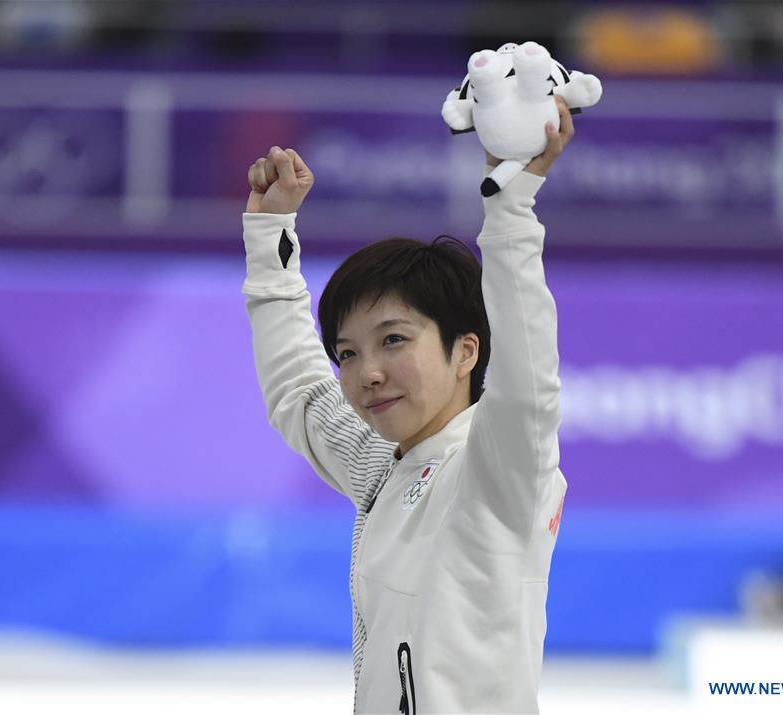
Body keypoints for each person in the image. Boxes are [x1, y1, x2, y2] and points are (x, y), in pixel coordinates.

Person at [242, 96, 574, 714]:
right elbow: (300, 389)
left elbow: (529, 383)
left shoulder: (498, 474)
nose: (368, 373)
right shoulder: (383, 464)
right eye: (347, 353)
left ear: (465, 351)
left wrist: (510, 206)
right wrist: (270, 235)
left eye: (393, 340)